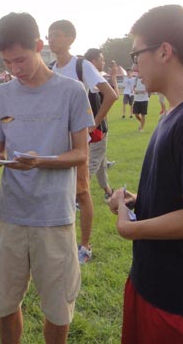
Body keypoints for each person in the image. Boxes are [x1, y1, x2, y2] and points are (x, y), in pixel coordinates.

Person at [109, 4, 183, 343]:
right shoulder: (175, 113)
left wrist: (130, 228)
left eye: (137, 55)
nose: (135, 67)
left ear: (164, 51)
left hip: (180, 301)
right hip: (151, 283)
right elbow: (181, 195)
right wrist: (137, 201)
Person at [0, 12, 93, 343]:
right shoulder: (0, 96)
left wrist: (41, 161)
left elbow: (81, 154)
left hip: (54, 216)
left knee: (57, 307)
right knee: (5, 301)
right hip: (10, 214)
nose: (15, 69)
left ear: (39, 46)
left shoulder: (72, 91)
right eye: (7, 62)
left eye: (21, 60)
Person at [47, 20, 118, 264]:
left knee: (82, 192)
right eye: (49, 35)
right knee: (56, 191)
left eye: (56, 35)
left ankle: (85, 246)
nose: (51, 39)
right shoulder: (48, 68)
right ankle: (59, 242)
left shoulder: (81, 65)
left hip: (77, 142)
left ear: (70, 39)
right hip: (54, 140)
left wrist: (93, 124)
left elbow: (111, 95)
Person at [84, 48, 116, 201]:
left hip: (94, 129)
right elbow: (113, 96)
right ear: (93, 61)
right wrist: (95, 124)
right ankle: (77, 196)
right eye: (101, 59)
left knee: (101, 162)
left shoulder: (89, 80)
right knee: (93, 163)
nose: (103, 62)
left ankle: (108, 191)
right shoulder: (92, 81)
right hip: (97, 130)